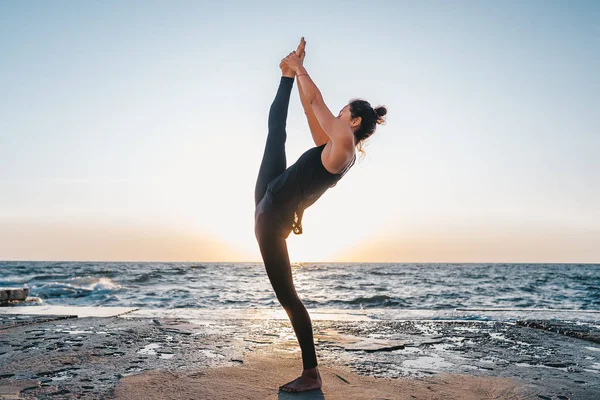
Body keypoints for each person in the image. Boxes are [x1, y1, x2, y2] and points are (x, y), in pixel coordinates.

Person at [254, 37, 387, 393]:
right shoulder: (333, 145)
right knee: (276, 136)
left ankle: (311, 373)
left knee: (289, 298)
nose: (339, 114)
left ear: (354, 120)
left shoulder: (344, 143)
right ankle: (281, 76)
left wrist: (301, 68)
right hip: (271, 197)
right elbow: (312, 112)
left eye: (344, 111)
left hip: (272, 218)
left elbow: (317, 101)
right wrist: (292, 73)